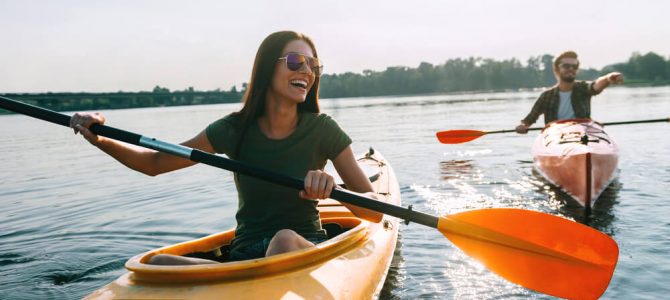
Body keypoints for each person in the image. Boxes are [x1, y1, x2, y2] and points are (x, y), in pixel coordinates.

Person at [69, 31, 383, 265]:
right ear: (266, 69)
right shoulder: (233, 129)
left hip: (301, 248)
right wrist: (99, 137)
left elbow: (373, 210)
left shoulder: (323, 129)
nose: (307, 71)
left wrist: (331, 189)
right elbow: (154, 163)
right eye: (295, 61)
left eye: (314, 65)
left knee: (283, 239)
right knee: (156, 263)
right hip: (244, 256)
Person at [515, 51, 624, 133]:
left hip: (583, 133)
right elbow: (528, 120)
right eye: (566, 66)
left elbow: (596, 85)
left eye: (574, 66)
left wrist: (608, 78)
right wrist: (523, 126)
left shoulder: (583, 88)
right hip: (555, 136)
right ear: (556, 70)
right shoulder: (546, 96)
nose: (571, 68)